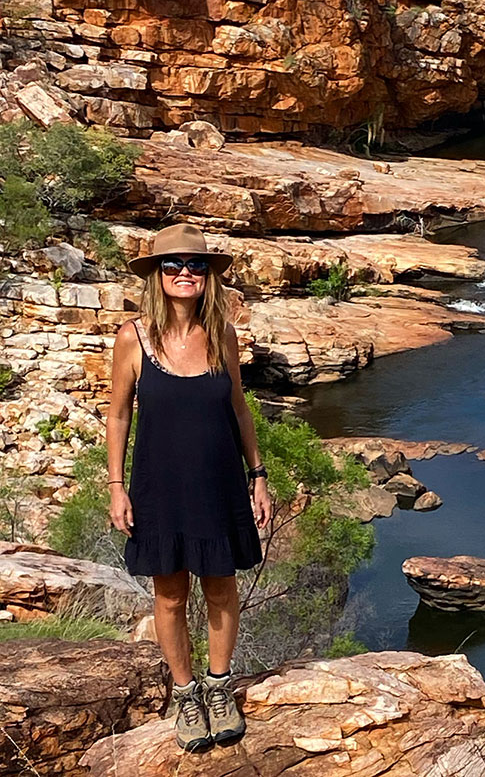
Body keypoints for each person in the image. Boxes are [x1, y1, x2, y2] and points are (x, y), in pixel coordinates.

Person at [106, 222, 271, 752]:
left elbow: (239, 409)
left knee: (221, 587)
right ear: (157, 274)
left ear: (208, 276)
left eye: (195, 265)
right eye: (172, 265)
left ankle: (220, 688)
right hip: (158, 486)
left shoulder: (222, 333)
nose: (184, 273)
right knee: (170, 593)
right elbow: (118, 417)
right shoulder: (132, 338)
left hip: (219, 481)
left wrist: (258, 475)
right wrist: (116, 485)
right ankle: (185, 695)